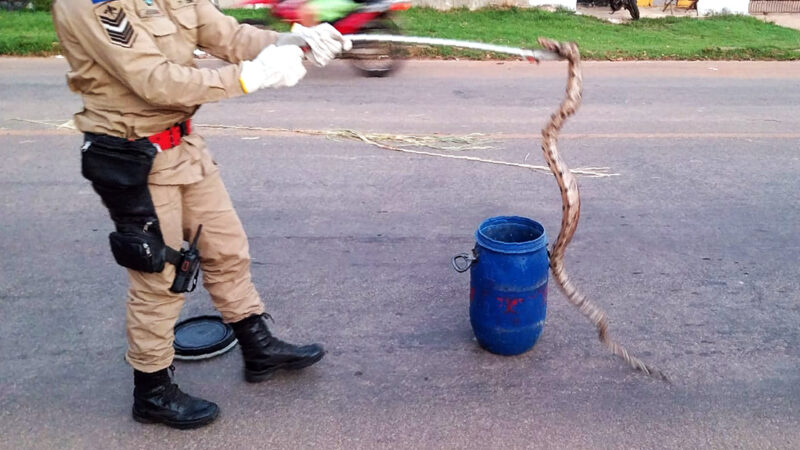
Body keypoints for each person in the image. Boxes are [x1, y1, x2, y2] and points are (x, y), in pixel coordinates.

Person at [52, 0, 351, 429]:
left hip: (182, 145)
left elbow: (229, 35)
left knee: (227, 248)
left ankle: (257, 346)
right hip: (133, 155)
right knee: (159, 278)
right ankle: (152, 390)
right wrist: (249, 77)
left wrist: (297, 40)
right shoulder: (88, 5)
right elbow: (153, 81)